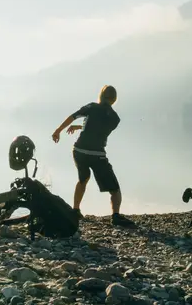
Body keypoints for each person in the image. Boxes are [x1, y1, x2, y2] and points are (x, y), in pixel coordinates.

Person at [51, 85, 135, 227]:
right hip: (97, 155)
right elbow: (98, 130)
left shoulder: (91, 107)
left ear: (101, 96)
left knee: (83, 179)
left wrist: (58, 130)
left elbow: (73, 117)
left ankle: (75, 210)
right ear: (114, 99)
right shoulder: (115, 118)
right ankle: (116, 216)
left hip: (79, 151)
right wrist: (79, 127)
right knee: (114, 189)